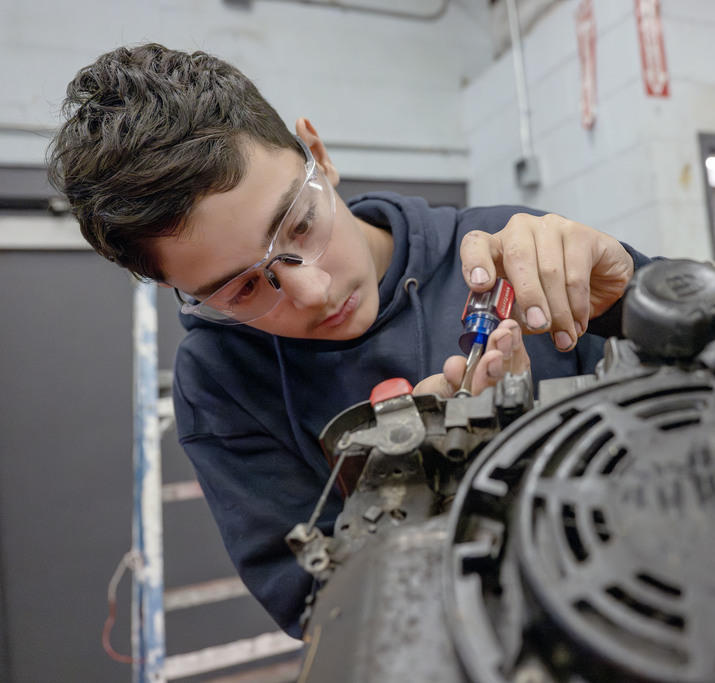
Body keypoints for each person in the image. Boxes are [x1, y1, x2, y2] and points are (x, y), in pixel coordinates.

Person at [47, 43, 652, 638]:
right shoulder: (218, 380)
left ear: (318, 154)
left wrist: (632, 301)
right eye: (242, 289)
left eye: (301, 224)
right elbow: (320, 613)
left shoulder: (508, 253)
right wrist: (415, 491)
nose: (311, 292)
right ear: (178, 290)